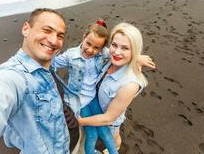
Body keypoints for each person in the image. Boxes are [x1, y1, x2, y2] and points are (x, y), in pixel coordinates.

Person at [0, 8, 75, 154]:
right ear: (26, 29)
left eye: (60, 36)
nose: (53, 41)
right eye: (46, 30)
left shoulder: (46, 67)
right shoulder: (13, 76)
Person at [54, 21, 155, 154]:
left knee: (106, 135)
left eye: (125, 48)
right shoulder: (108, 57)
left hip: (107, 117)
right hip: (88, 102)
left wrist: (76, 121)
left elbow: (109, 118)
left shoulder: (129, 83)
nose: (117, 52)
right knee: (102, 136)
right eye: (114, 45)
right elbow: (53, 63)